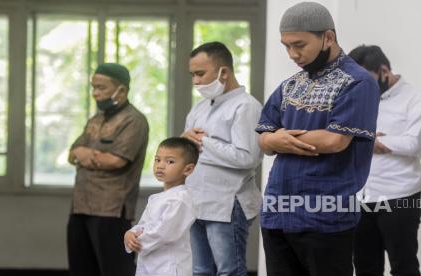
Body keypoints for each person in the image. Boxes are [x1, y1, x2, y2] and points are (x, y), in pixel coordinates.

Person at [255, 2, 380, 276]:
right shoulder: (291, 85)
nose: (292, 54)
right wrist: (271, 140)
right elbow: (263, 137)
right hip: (277, 212)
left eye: (299, 44)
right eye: (286, 46)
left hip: (325, 215)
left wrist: (281, 139)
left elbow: (336, 141)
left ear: (328, 37)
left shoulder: (357, 82)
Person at [349, 45, 421, 276]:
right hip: (361, 195)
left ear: (384, 71)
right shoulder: (360, 99)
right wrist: (373, 141)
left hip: (400, 195)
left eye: (365, 79)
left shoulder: (419, 99)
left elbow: (413, 143)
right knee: (365, 267)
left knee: (403, 266)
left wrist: (365, 141)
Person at [182, 41, 263, 275]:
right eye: (193, 75)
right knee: (200, 271)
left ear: (223, 72)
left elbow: (247, 157)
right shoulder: (199, 108)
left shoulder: (246, 107)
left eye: (200, 74)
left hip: (227, 204)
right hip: (196, 200)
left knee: (229, 271)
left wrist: (203, 142)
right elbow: (187, 153)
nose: (195, 81)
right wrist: (185, 140)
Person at [67, 63, 149, 276]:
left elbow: (116, 161)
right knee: (81, 269)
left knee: (115, 270)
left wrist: (85, 153)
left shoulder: (134, 120)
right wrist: (85, 154)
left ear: (121, 90)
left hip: (111, 210)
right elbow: (71, 152)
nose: (95, 93)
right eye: (93, 87)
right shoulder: (96, 119)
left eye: (101, 88)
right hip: (81, 206)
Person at [124, 137, 199, 276]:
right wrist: (130, 234)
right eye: (157, 160)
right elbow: (144, 224)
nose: (160, 165)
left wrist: (138, 240)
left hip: (168, 268)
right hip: (150, 264)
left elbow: (164, 233)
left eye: (169, 161)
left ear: (188, 169)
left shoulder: (180, 200)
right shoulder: (156, 198)